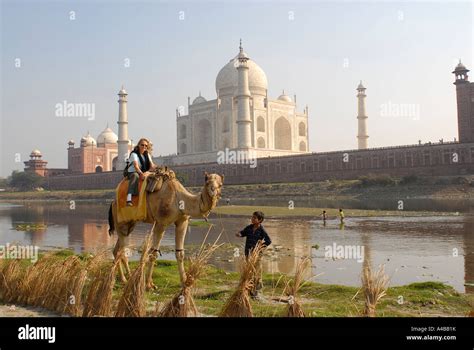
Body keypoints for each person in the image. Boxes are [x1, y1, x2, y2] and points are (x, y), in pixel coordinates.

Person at [235, 211, 272, 298]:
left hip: (257, 255)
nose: (252, 219)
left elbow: (268, 241)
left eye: (254, 218)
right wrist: (239, 234)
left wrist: (260, 247)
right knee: (248, 272)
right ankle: (248, 288)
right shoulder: (249, 228)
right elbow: (243, 232)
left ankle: (256, 291)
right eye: (252, 217)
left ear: (260, 220)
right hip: (248, 253)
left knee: (256, 272)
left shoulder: (262, 231)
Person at [125, 138, 157, 206]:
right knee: (135, 176)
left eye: (146, 145)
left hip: (144, 172)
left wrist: (158, 169)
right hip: (133, 172)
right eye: (142, 145)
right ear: (138, 145)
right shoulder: (134, 154)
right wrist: (141, 174)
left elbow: (152, 165)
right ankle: (129, 198)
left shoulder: (147, 154)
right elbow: (136, 166)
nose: (144, 147)